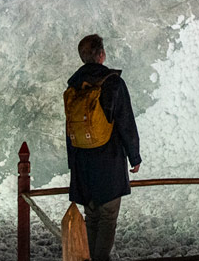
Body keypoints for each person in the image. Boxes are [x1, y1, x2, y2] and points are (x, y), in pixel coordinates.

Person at [65, 34, 142, 261]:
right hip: (108, 160)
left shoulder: (74, 86)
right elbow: (125, 121)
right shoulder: (113, 83)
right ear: (101, 55)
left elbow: (69, 128)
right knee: (108, 217)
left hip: (83, 162)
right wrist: (134, 157)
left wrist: (73, 164)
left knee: (92, 216)